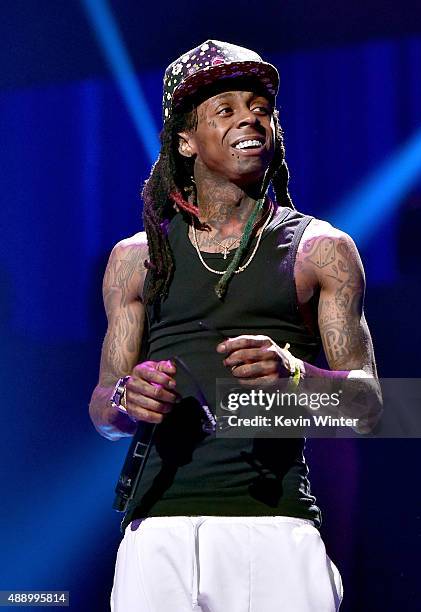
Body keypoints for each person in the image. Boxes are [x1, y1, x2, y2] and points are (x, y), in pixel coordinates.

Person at [89, 40, 381, 612]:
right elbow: (102, 403)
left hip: (272, 529)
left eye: (261, 107)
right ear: (185, 140)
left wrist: (299, 377)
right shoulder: (135, 257)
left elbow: (368, 407)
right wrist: (129, 398)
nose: (251, 117)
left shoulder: (320, 251)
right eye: (226, 109)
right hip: (157, 534)